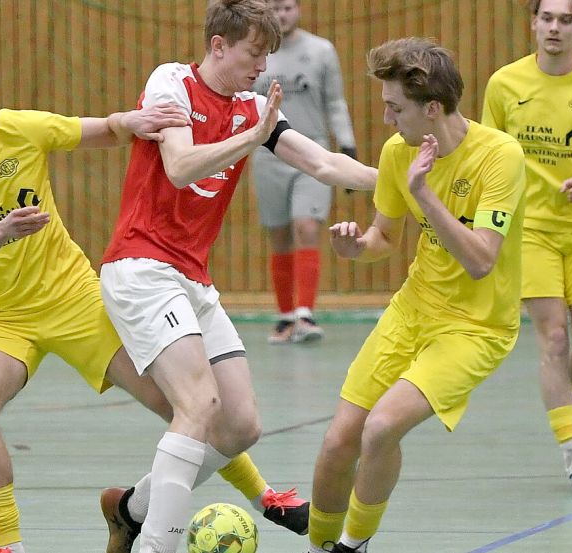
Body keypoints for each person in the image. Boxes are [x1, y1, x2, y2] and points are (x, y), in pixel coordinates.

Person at [0, 69, 296, 553]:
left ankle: (260, 494)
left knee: (188, 405)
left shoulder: (17, 129)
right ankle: (9, 546)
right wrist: (2, 231)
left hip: (76, 300)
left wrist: (136, 119)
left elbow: (105, 129)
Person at [96, 1, 377, 552]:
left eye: (268, 54)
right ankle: (157, 546)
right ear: (218, 45)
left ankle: (130, 510)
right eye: (254, 52)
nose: (262, 65)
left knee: (240, 426)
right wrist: (253, 137)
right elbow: (179, 166)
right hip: (141, 266)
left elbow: (323, 164)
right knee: (198, 407)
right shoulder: (172, 82)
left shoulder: (251, 108)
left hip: (190, 279)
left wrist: (404, 182)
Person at [306, 38, 526, 553]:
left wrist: (425, 194)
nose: (385, 119)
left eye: (394, 107)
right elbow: (384, 239)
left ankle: (353, 545)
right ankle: (317, 547)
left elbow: (480, 261)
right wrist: (355, 247)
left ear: (432, 108)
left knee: (381, 428)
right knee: (339, 442)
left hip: (477, 328)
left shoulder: (500, 157)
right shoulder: (397, 151)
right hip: (413, 309)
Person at [481, 0, 572, 491]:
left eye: (565, 20)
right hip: (531, 231)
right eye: (547, 18)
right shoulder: (505, 84)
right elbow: (490, 156)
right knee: (555, 338)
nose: (554, 27)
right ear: (533, 23)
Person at [250, 0, 358, 344]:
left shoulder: (321, 51)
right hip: (268, 153)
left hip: (311, 151)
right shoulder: (257, 52)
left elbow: (335, 101)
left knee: (306, 225)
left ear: (297, 9)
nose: (282, 15)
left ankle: (305, 314)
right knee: (279, 232)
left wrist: (347, 143)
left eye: (288, 7)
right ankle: (284, 317)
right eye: (275, 8)